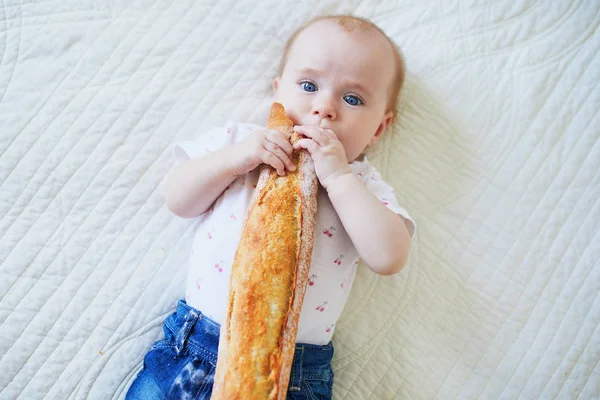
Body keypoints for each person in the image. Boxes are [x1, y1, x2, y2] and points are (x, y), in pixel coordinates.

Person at [126, 14, 416, 400]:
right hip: (196, 343)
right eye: (309, 85)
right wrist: (237, 158)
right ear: (279, 92)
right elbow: (178, 197)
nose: (324, 108)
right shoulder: (241, 142)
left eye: (352, 99)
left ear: (379, 128)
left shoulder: (361, 184)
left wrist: (340, 179)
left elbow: (389, 256)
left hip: (295, 371)